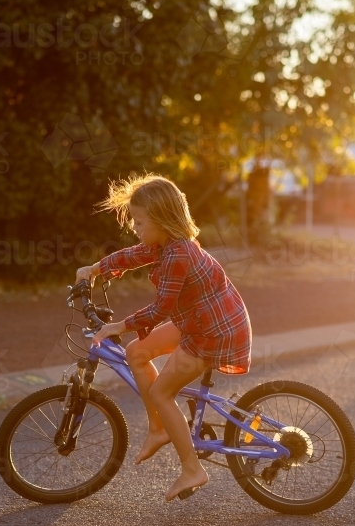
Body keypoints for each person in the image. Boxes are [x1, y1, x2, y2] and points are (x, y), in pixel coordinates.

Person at [74, 174, 252, 502]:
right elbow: (132, 255)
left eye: (139, 222)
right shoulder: (163, 245)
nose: (135, 228)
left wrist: (117, 325)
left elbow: (159, 310)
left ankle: (192, 469)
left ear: (161, 219)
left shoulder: (178, 254)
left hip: (214, 331)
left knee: (161, 391)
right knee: (137, 352)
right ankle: (158, 429)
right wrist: (95, 269)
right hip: (198, 320)